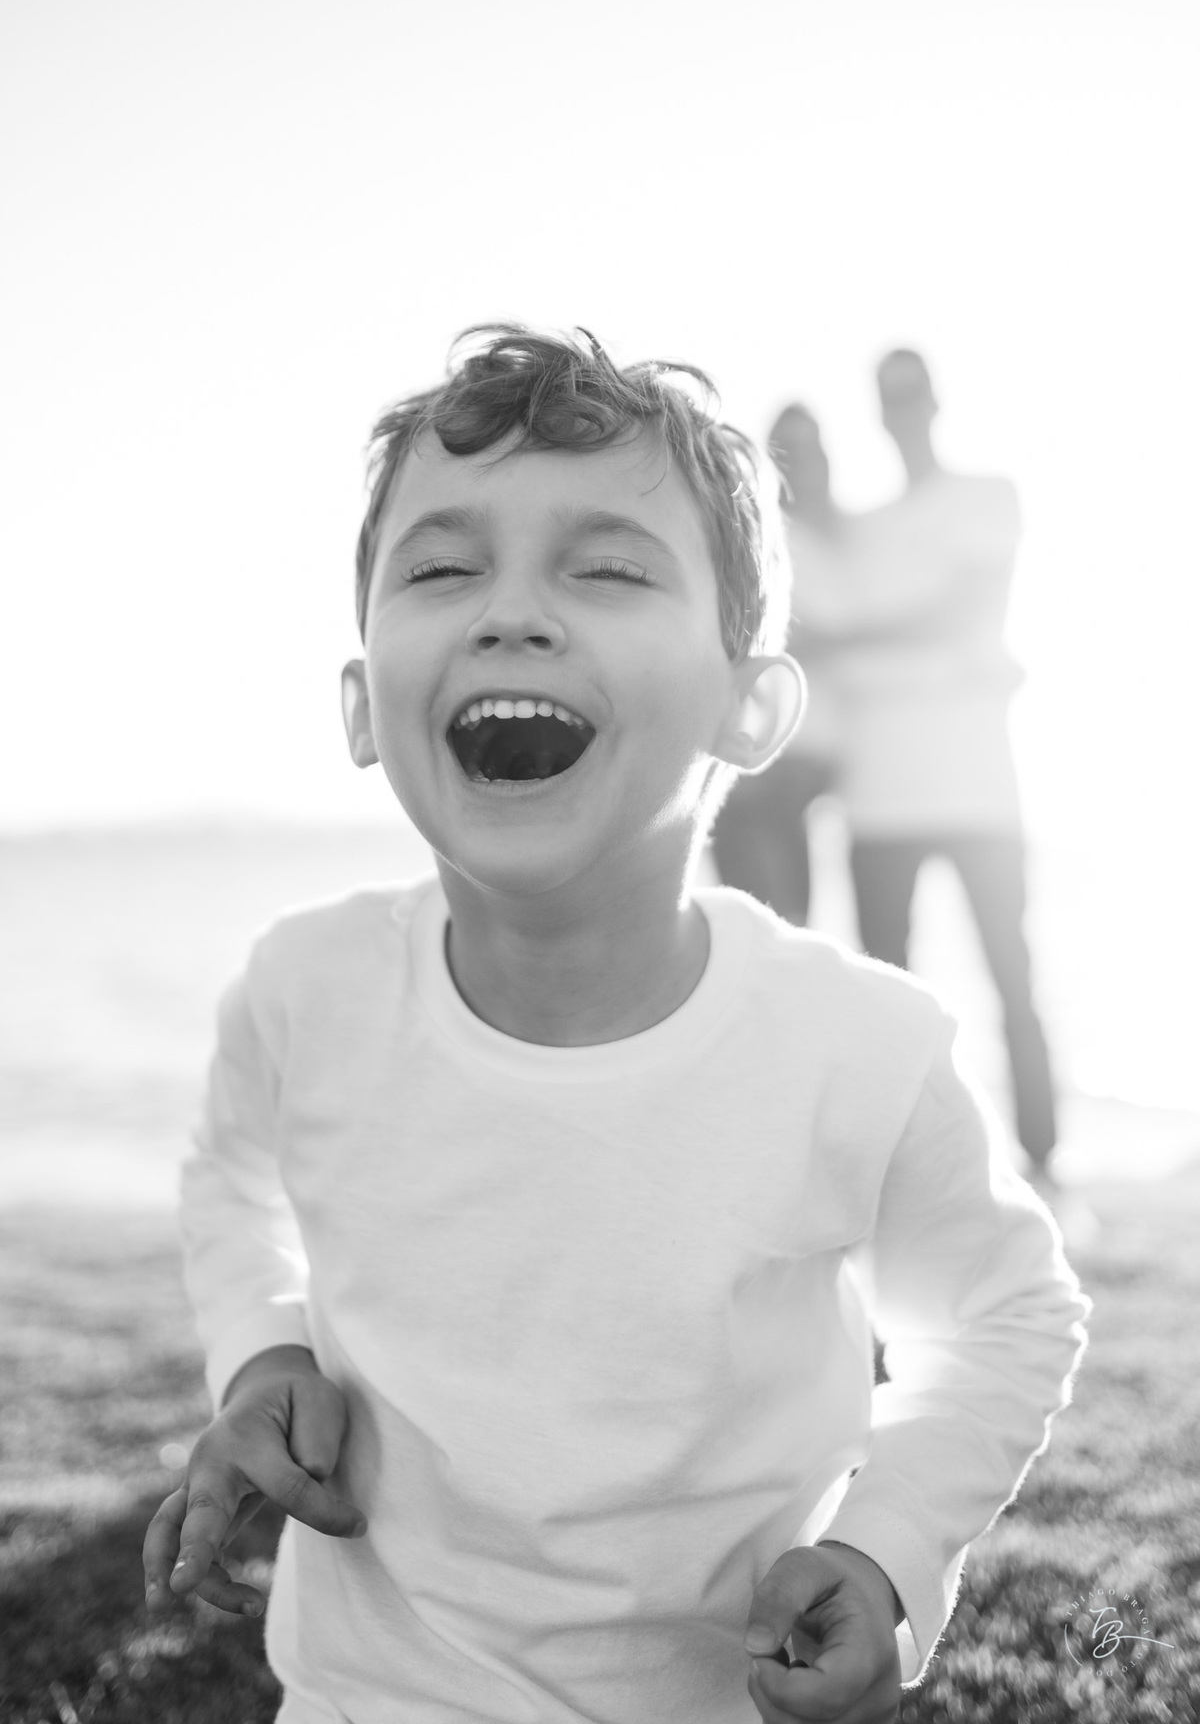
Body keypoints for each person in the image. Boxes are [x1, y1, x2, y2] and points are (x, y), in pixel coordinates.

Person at [142, 326, 1088, 1724]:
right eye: (442, 569)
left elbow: (1011, 1315)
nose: (511, 614)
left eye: (608, 569)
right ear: (360, 703)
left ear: (751, 707)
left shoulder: (857, 1049)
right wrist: (266, 1351)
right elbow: (230, 1181)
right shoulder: (303, 989)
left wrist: (886, 1550)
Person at [803, 349, 1060, 1192]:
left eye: (913, 397)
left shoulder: (989, 495)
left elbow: (970, 607)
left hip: (981, 791)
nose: (904, 412)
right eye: (892, 399)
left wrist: (849, 643)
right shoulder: (857, 528)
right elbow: (907, 619)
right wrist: (924, 644)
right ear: (879, 412)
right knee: (890, 997)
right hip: (878, 795)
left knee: (1011, 978)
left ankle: (1043, 1160)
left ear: (936, 404)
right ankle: (907, 1166)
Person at [709, 405, 843, 924]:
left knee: (792, 927)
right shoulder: (756, 535)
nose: (802, 462)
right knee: (765, 922)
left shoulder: (844, 538)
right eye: (788, 450)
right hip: (760, 761)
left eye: (811, 447)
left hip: (811, 762)